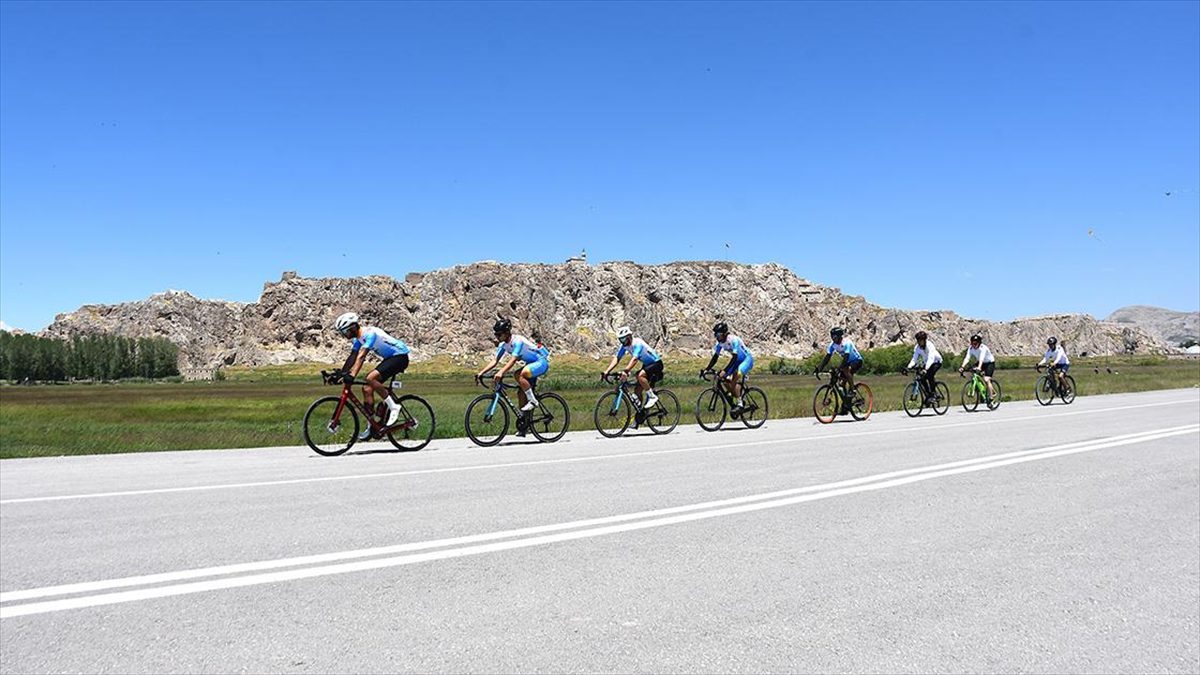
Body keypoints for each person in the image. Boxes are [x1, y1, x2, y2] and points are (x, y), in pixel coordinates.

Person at [333, 312, 409, 440]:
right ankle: (371, 427)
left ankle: (394, 407)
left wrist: (352, 375)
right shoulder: (358, 339)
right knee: (367, 389)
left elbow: (361, 356)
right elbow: (353, 356)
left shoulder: (370, 334)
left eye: (344, 332)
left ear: (352, 328)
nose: (344, 335)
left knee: (370, 378)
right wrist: (341, 373)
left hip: (400, 357)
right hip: (390, 358)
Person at [476, 319, 550, 433]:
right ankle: (525, 423)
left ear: (506, 333)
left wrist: (501, 372)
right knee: (520, 392)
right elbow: (495, 361)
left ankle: (533, 401)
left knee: (519, 374)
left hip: (541, 362)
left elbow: (513, 360)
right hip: (531, 365)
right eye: (496, 334)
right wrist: (481, 372)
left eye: (499, 334)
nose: (497, 337)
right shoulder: (503, 345)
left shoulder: (518, 341)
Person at [601, 326, 664, 412]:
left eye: (624, 339)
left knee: (640, 375)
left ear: (629, 337)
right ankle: (640, 416)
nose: (623, 342)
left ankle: (652, 397)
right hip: (647, 365)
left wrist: (626, 371)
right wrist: (607, 371)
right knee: (637, 390)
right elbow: (617, 358)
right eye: (621, 340)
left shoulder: (637, 343)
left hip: (656, 364)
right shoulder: (625, 346)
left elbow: (635, 359)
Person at [702, 322, 754, 416]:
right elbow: (715, 357)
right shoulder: (720, 343)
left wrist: (725, 370)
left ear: (724, 333)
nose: (717, 337)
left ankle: (740, 403)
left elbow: (734, 357)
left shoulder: (734, 340)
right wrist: (707, 369)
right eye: (715, 335)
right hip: (737, 361)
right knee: (724, 379)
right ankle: (734, 394)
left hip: (747, 360)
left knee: (735, 376)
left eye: (718, 334)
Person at [902, 330, 943, 404]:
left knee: (930, 375)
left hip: (936, 362)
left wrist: (925, 369)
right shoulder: (917, 347)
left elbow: (931, 358)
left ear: (924, 340)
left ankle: (934, 394)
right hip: (927, 363)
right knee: (921, 378)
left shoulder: (930, 345)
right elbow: (914, 359)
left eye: (921, 340)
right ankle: (928, 395)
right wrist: (908, 368)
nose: (919, 342)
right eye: (918, 340)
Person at [958, 333, 997, 402]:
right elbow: (967, 358)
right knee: (973, 373)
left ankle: (992, 395)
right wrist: (962, 367)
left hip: (989, 363)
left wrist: (979, 367)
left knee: (986, 379)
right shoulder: (971, 348)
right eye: (973, 343)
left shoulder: (983, 348)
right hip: (980, 362)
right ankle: (981, 390)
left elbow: (982, 358)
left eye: (976, 343)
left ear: (979, 343)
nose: (974, 345)